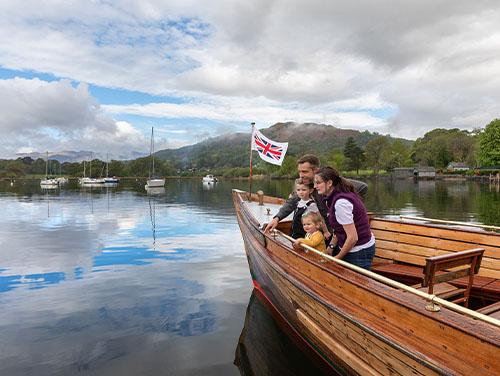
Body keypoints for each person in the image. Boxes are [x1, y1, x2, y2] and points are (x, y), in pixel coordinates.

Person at [264, 154, 367, 253]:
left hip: (332, 232)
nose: (301, 175)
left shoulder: (332, 183)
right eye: (300, 171)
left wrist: (343, 203)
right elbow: (291, 202)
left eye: (304, 172)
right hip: (314, 231)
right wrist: (277, 218)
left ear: (316, 170)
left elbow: (362, 187)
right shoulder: (304, 184)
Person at [314, 166, 375, 271]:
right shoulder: (334, 197)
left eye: (318, 183)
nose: (315, 186)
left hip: (359, 251)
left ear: (329, 183)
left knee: (360, 284)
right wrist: (331, 246)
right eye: (314, 183)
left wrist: (338, 258)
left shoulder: (341, 203)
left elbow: (353, 238)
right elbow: (339, 228)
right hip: (353, 248)